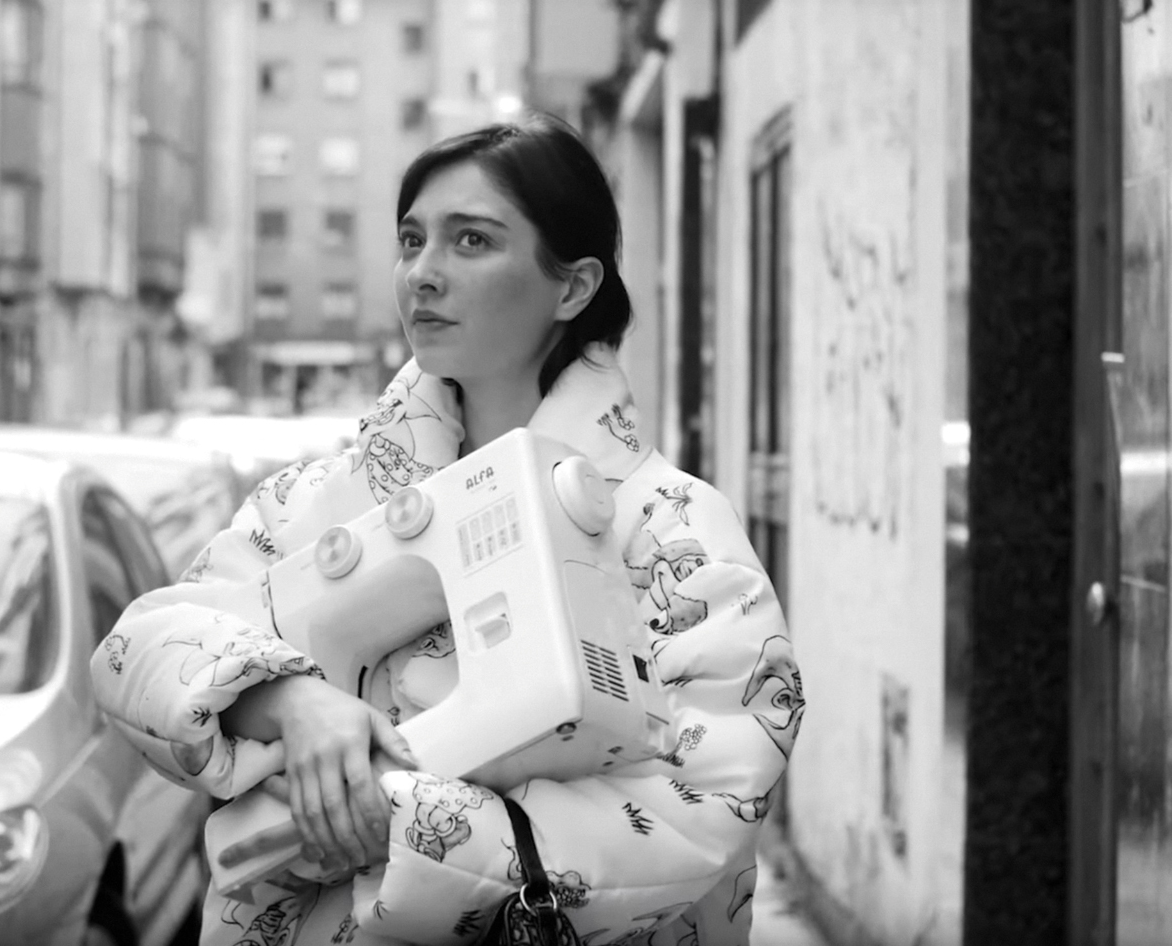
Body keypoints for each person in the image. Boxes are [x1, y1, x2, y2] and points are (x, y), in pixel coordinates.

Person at [91, 114, 802, 946]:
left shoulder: (671, 530)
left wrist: (383, 811)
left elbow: (709, 803)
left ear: (571, 287)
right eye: (411, 240)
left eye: (471, 241)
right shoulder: (317, 500)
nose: (422, 274)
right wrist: (293, 702)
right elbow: (138, 648)